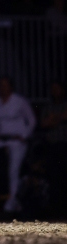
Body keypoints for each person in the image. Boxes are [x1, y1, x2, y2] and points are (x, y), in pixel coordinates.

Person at [0, 76, 36, 213]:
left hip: (17, 141)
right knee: (3, 173)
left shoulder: (19, 101)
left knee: (13, 171)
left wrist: (24, 135)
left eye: (6, 85)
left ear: (11, 87)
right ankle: (14, 202)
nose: (3, 88)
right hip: (2, 141)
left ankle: (11, 203)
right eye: (1, 85)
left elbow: (32, 119)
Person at [41, 81, 67, 217]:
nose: (56, 91)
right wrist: (59, 118)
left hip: (65, 146)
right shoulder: (48, 106)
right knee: (54, 177)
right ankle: (56, 208)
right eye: (53, 89)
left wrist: (54, 119)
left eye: (58, 88)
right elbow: (44, 123)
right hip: (52, 147)